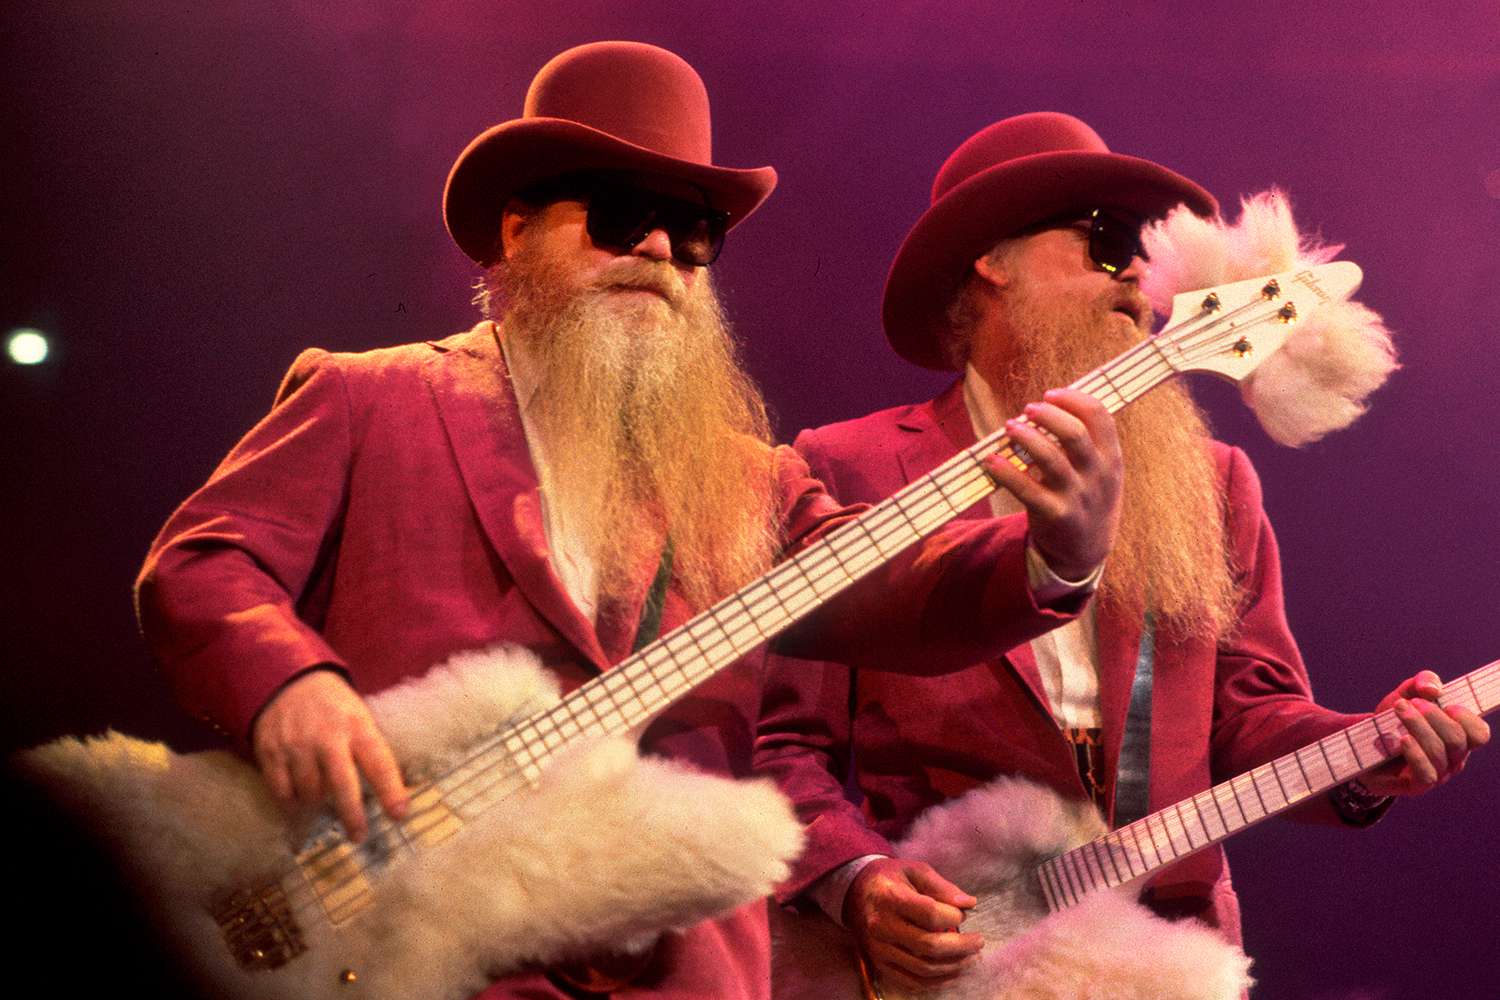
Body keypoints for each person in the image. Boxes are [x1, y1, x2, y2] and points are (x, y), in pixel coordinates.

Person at [133, 49, 1125, 999]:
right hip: (407, 943)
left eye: (694, 230)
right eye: (619, 214)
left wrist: (1059, 554)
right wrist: (292, 686)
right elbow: (206, 561)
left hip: (679, 968)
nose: (659, 248)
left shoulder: (749, 481)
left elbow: (899, 591)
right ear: (515, 231)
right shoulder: (371, 398)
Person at [754, 112, 1490, 994]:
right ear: (991, 260)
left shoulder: (1214, 480)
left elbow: (1249, 711)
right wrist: (857, 884)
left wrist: (1363, 751)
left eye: (1148, 249)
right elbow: (781, 742)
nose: (1141, 277)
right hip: (942, 958)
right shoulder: (846, 465)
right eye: (1107, 243)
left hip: (1166, 953)